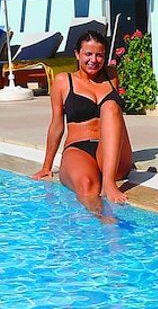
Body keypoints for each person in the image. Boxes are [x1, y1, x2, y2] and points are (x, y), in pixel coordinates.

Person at [32, 30, 133, 214]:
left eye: (99, 55)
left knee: (110, 106)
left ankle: (109, 182)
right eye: (88, 54)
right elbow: (56, 125)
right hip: (79, 148)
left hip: (111, 152)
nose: (94, 60)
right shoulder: (63, 81)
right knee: (86, 186)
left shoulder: (111, 76)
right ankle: (106, 223)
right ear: (77, 54)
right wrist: (47, 166)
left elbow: (115, 118)